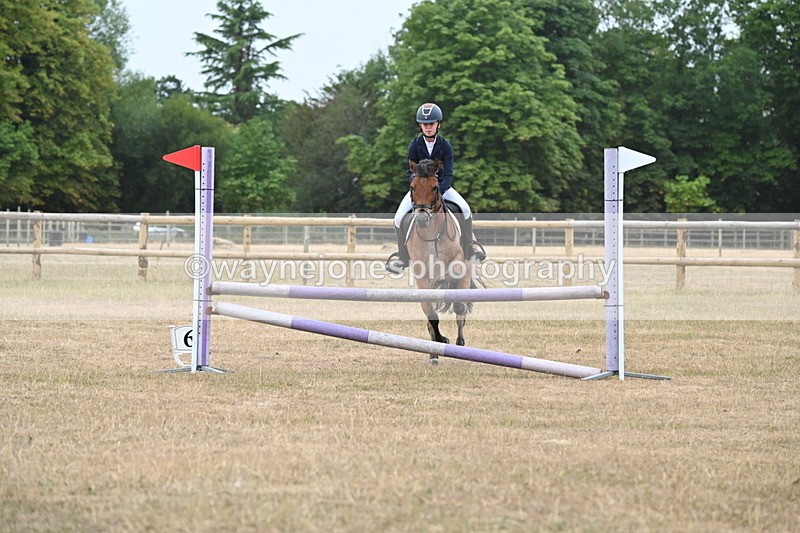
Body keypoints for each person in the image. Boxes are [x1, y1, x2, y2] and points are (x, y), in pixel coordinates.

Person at [386, 103, 486, 274]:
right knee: (398, 217)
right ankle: (402, 257)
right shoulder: (414, 145)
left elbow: (448, 173)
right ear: (420, 125)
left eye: (431, 124)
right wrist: (419, 186)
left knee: (466, 209)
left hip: (442, 188)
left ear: (438, 124)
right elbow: (408, 171)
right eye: (425, 124)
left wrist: (440, 189)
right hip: (420, 192)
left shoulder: (445, 145)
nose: (428, 127)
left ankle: (470, 248)